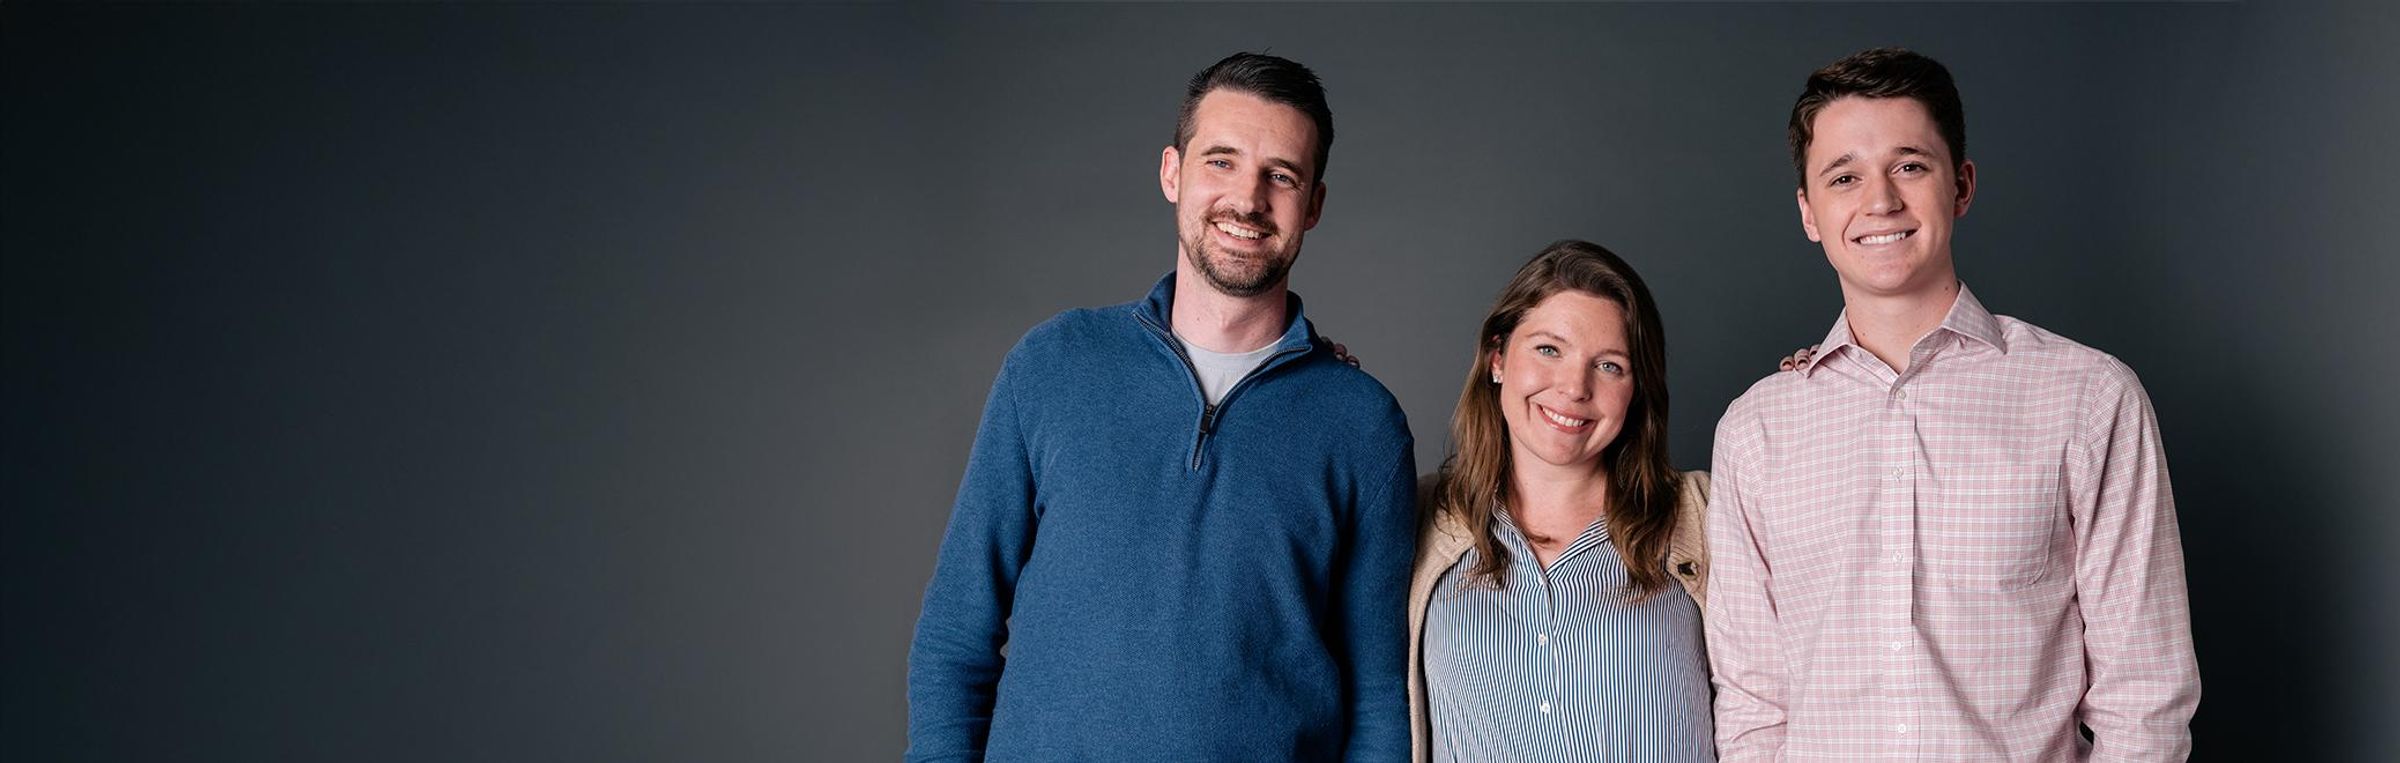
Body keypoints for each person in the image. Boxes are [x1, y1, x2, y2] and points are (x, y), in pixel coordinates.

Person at [905, 52, 1416, 761]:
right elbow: (957, 633)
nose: (1248, 199)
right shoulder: (1055, 365)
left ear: (1315, 204)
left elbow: (1378, 700)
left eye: (1282, 176)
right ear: (1172, 173)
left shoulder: (1363, 426)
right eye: (1222, 161)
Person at [1705, 48, 2201, 760]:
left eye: (1910, 165)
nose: (1880, 201)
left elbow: (2144, 696)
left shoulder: (2088, 398)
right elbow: (1756, 703)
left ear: (1961, 185)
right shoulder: (1756, 429)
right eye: (1844, 177)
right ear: (1810, 213)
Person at [1408, 240, 1716, 762]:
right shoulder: (1417, 516)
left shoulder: (1704, 514)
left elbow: (1781, 691)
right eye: (1549, 349)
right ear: (1498, 358)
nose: (1575, 387)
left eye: (1611, 366)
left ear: (1638, 388)